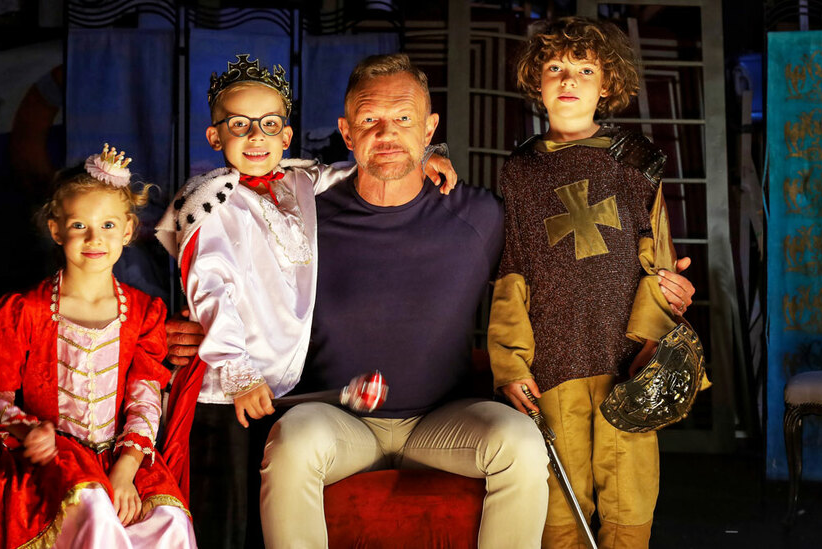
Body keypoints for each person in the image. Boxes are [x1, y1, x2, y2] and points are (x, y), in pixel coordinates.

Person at [163, 53, 696, 548]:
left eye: (404, 119)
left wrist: (659, 283)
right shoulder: (302, 217)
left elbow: (564, 273)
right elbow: (231, 277)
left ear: (429, 129)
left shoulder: (480, 217)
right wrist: (194, 334)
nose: (386, 134)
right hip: (339, 417)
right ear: (346, 132)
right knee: (293, 440)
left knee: (519, 441)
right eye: (370, 120)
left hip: (442, 422)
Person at [153, 54, 457, 549]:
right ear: (214, 136)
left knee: (265, 521)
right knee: (222, 523)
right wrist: (238, 371)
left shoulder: (297, 182)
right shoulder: (212, 201)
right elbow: (211, 291)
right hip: (226, 391)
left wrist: (422, 156)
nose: (256, 137)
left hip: (277, 389)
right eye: (239, 125)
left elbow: (356, 169)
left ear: (287, 136)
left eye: (269, 125)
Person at [489, 17, 697, 548]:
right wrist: (511, 363)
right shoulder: (520, 171)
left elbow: (659, 261)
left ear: (607, 84)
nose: (569, 80)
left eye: (585, 69)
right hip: (552, 357)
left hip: (625, 357)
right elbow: (512, 271)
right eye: (555, 68)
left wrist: (651, 343)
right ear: (536, 81)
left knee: (630, 491)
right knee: (559, 497)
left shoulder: (636, 160)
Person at [0, 145, 195, 549]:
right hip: (51, 462)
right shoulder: (25, 309)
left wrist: (126, 467)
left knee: (169, 519)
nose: (94, 238)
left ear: (127, 230)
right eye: (79, 225)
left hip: (121, 457)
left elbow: (145, 397)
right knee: (93, 506)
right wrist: (25, 428)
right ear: (56, 230)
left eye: (107, 225)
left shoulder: (144, 313)